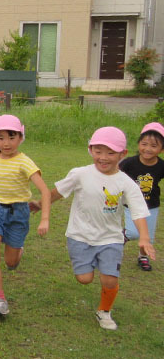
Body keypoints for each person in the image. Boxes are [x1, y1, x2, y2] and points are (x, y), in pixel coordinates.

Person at [44, 127, 154, 331]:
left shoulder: (126, 183)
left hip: (110, 238)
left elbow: (138, 212)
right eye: (98, 151)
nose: (103, 158)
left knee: (110, 280)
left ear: (123, 154)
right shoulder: (80, 174)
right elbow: (58, 192)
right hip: (80, 235)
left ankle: (104, 311)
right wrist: (40, 204)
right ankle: (92, 262)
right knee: (84, 279)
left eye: (110, 153)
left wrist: (144, 238)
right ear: (90, 150)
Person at [0, 114, 50, 318]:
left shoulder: (25, 162)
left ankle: (18, 252)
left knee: (10, 262)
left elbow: (44, 190)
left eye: (11, 137)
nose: (6, 143)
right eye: (0, 138)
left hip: (17, 213)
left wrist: (44, 218)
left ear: (20, 137)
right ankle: (0, 300)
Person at [119, 122, 164, 271]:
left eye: (153, 145)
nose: (148, 149)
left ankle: (142, 257)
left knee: (148, 236)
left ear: (161, 149)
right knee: (133, 232)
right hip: (130, 204)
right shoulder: (129, 163)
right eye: (144, 144)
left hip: (152, 205)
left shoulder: (161, 165)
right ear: (139, 144)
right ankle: (122, 235)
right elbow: (115, 173)